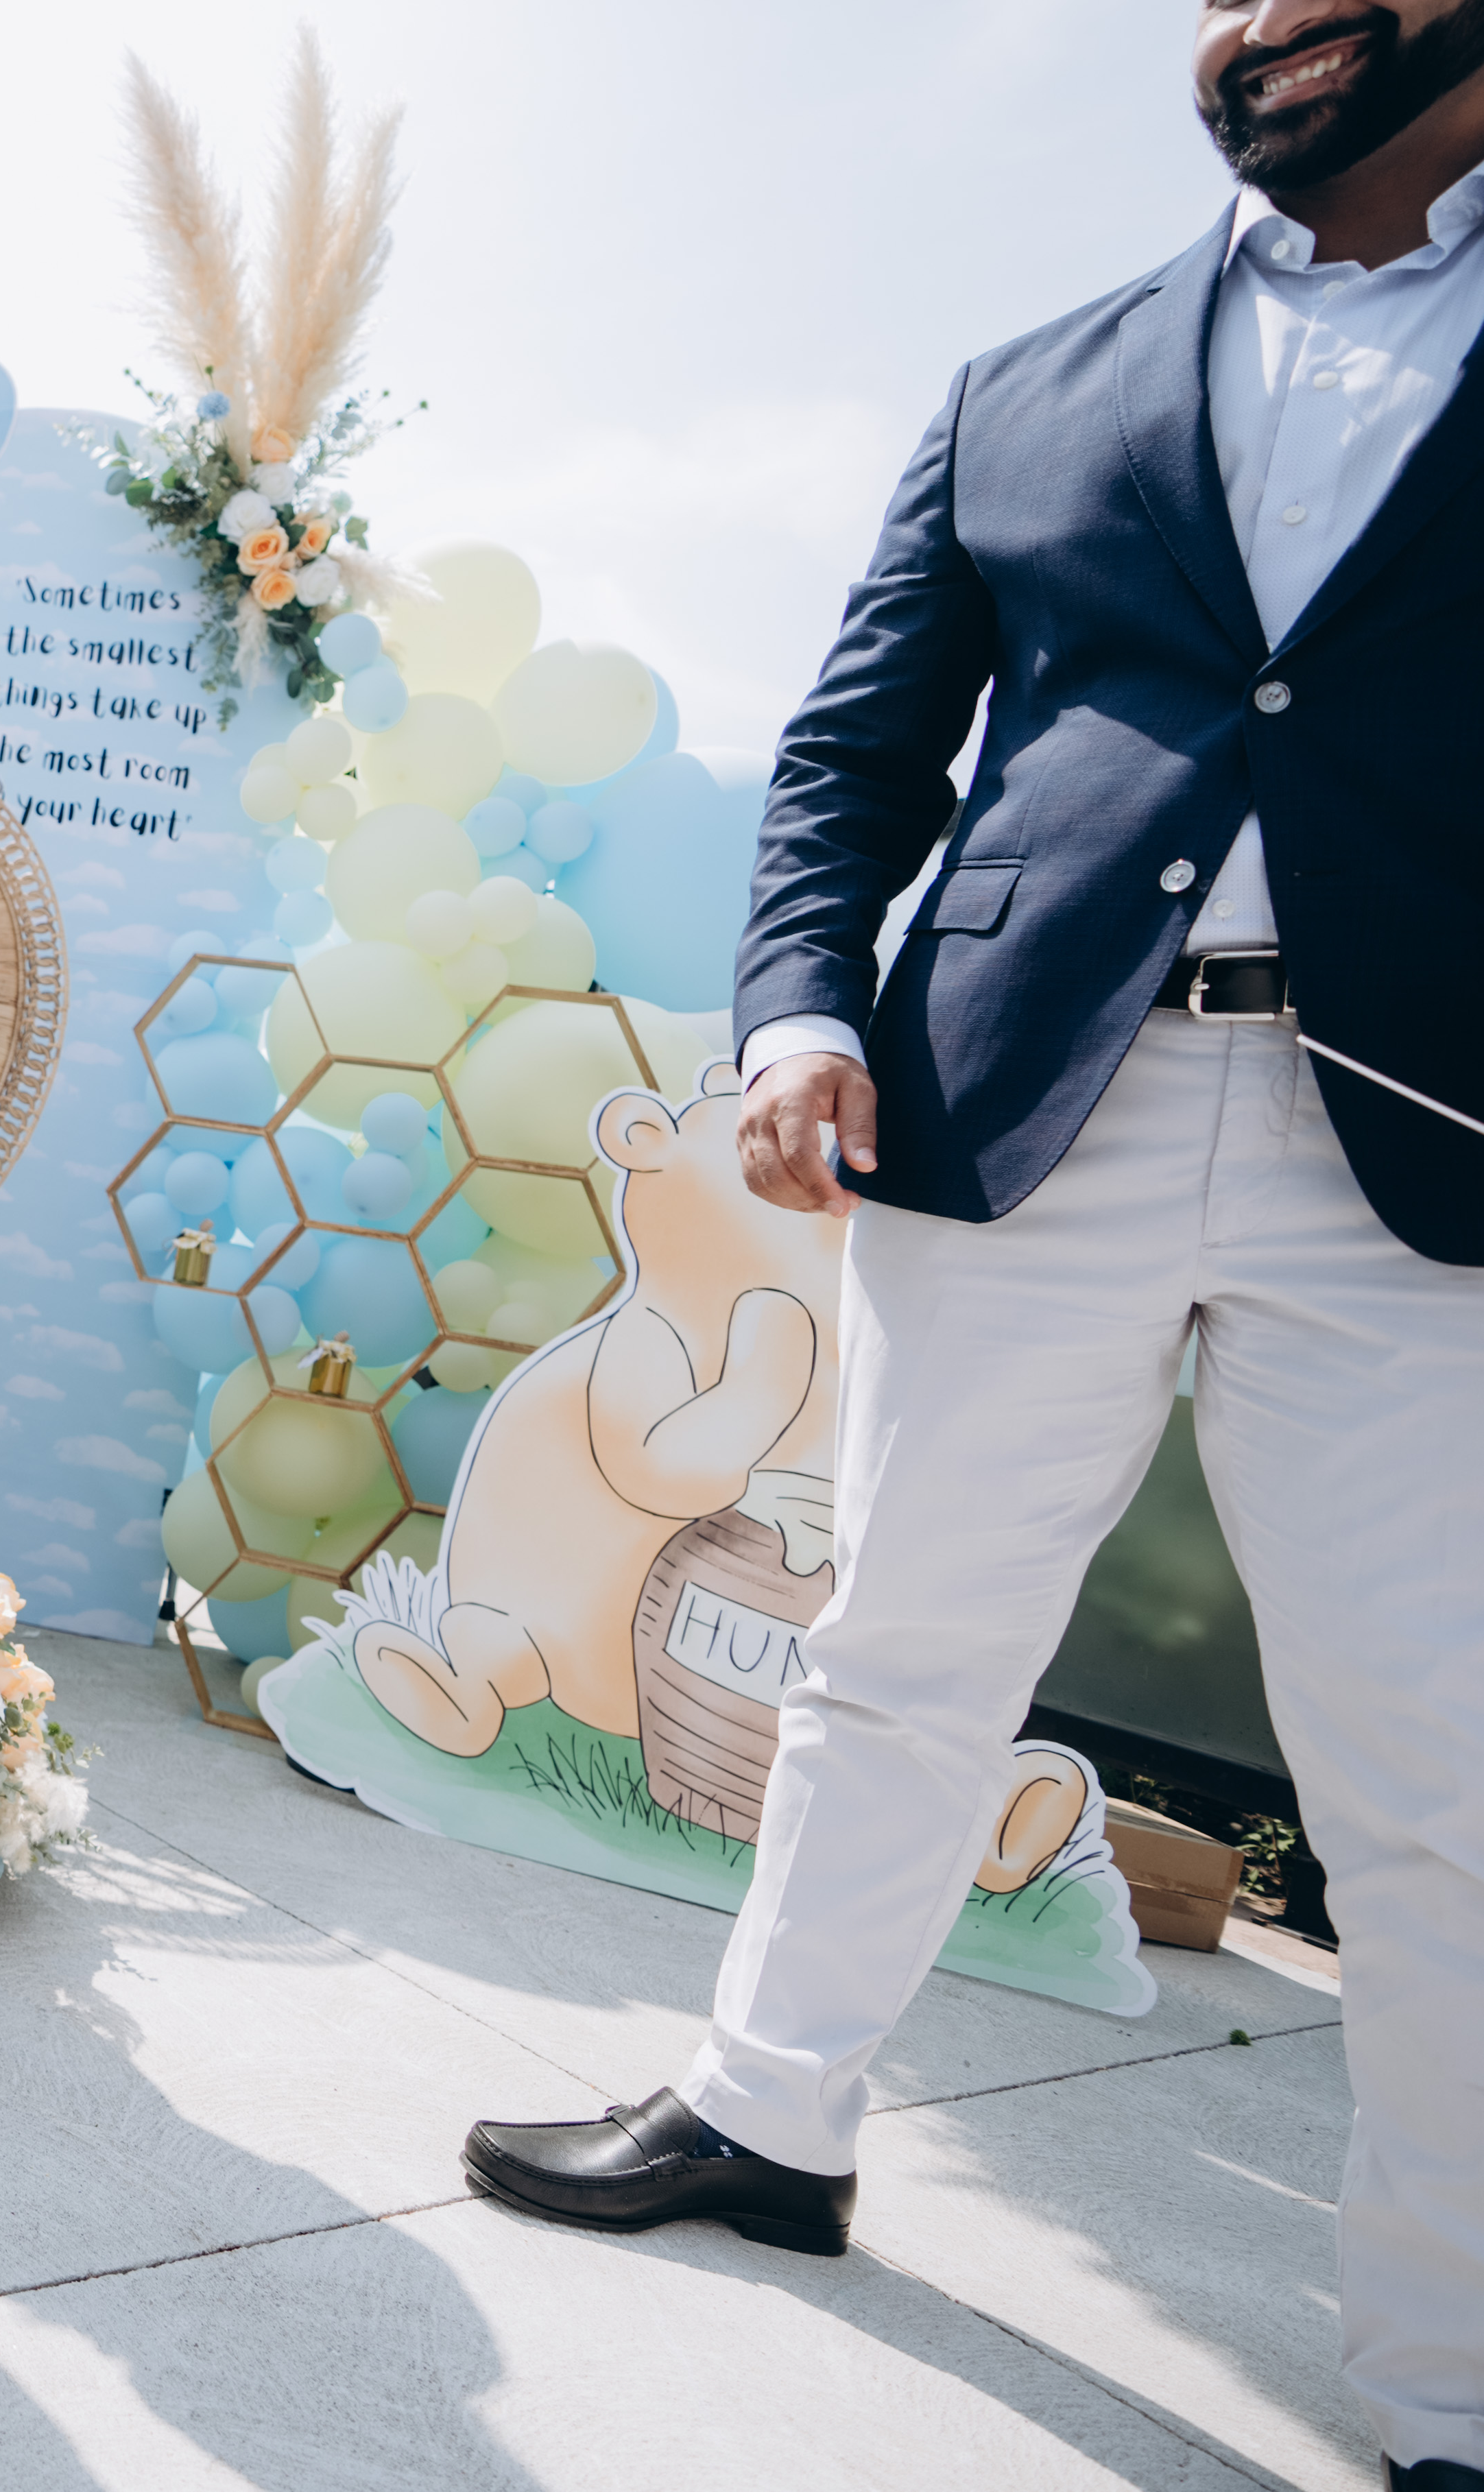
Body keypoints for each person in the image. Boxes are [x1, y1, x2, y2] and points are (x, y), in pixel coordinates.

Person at [459, 7, 1484, 2482]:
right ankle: (765, 2113)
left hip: (1415, 1145)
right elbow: (851, 750)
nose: (1249, 21)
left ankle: (1448, 2383)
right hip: (1029, 1098)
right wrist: (801, 1009)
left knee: (1430, 1780)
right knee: (892, 1657)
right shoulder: (1028, 381)